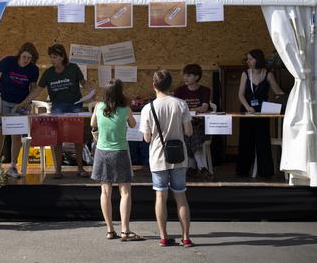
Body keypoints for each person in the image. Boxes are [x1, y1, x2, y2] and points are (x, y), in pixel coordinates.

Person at [15, 43, 91, 179]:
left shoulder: (73, 68)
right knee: (58, 139)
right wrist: (25, 101)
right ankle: (58, 170)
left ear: (62, 57)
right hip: (57, 108)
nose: (52, 60)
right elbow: (38, 90)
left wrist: (91, 91)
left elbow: (84, 83)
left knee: (78, 138)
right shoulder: (49, 73)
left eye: (55, 57)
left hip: (75, 106)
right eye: (51, 57)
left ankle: (80, 168)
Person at [140, 70, 194, 248]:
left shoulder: (148, 108)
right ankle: (185, 237)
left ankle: (163, 237)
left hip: (157, 156)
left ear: (154, 85)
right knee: (181, 197)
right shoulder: (180, 104)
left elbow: (146, 138)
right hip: (178, 157)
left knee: (160, 197)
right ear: (170, 85)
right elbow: (189, 132)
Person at [91, 79, 144, 242]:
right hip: (120, 151)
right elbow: (134, 125)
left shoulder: (98, 107)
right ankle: (125, 230)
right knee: (125, 192)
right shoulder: (125, 109)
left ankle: (109, 230)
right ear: (120, 92)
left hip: (102, 152)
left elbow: (93, 124)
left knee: (105, 192)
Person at [0, 42, 40, 178]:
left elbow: (33, 86)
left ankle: (13, 166)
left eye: (30, 58)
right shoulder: (8, 62)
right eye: (24, 57)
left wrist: (28, 102)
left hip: (19, 104)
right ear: (20, 54)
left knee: (16, 134)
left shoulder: (33, 69)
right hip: (4, 100)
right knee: (0, 131)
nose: (26, 60)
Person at [236, 49, 284, 178]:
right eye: (248, 59)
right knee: (246, 141)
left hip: (263, 112)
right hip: (247, 111)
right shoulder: (245, 74)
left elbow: (277, 91)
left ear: (258, 59)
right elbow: (240, 95)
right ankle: (243, 171)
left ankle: (265, 172)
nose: (248, 61)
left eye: (251, 59)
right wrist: (247, 107)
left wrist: (285, 99)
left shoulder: (268, 74)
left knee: (263, 141)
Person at [174, 64, 213, 181]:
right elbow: (176, 109)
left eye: (189, 75)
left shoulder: (205, 90)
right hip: (184, 125)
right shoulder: (179, 91)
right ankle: (202, 167)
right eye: (184, 75)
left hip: (200, 124)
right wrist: (194, 110)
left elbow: (204, 107)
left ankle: (192, 167)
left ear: (196, 77)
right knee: (190, 131)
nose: (185, 78)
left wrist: (189, 110)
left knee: (192, 132)